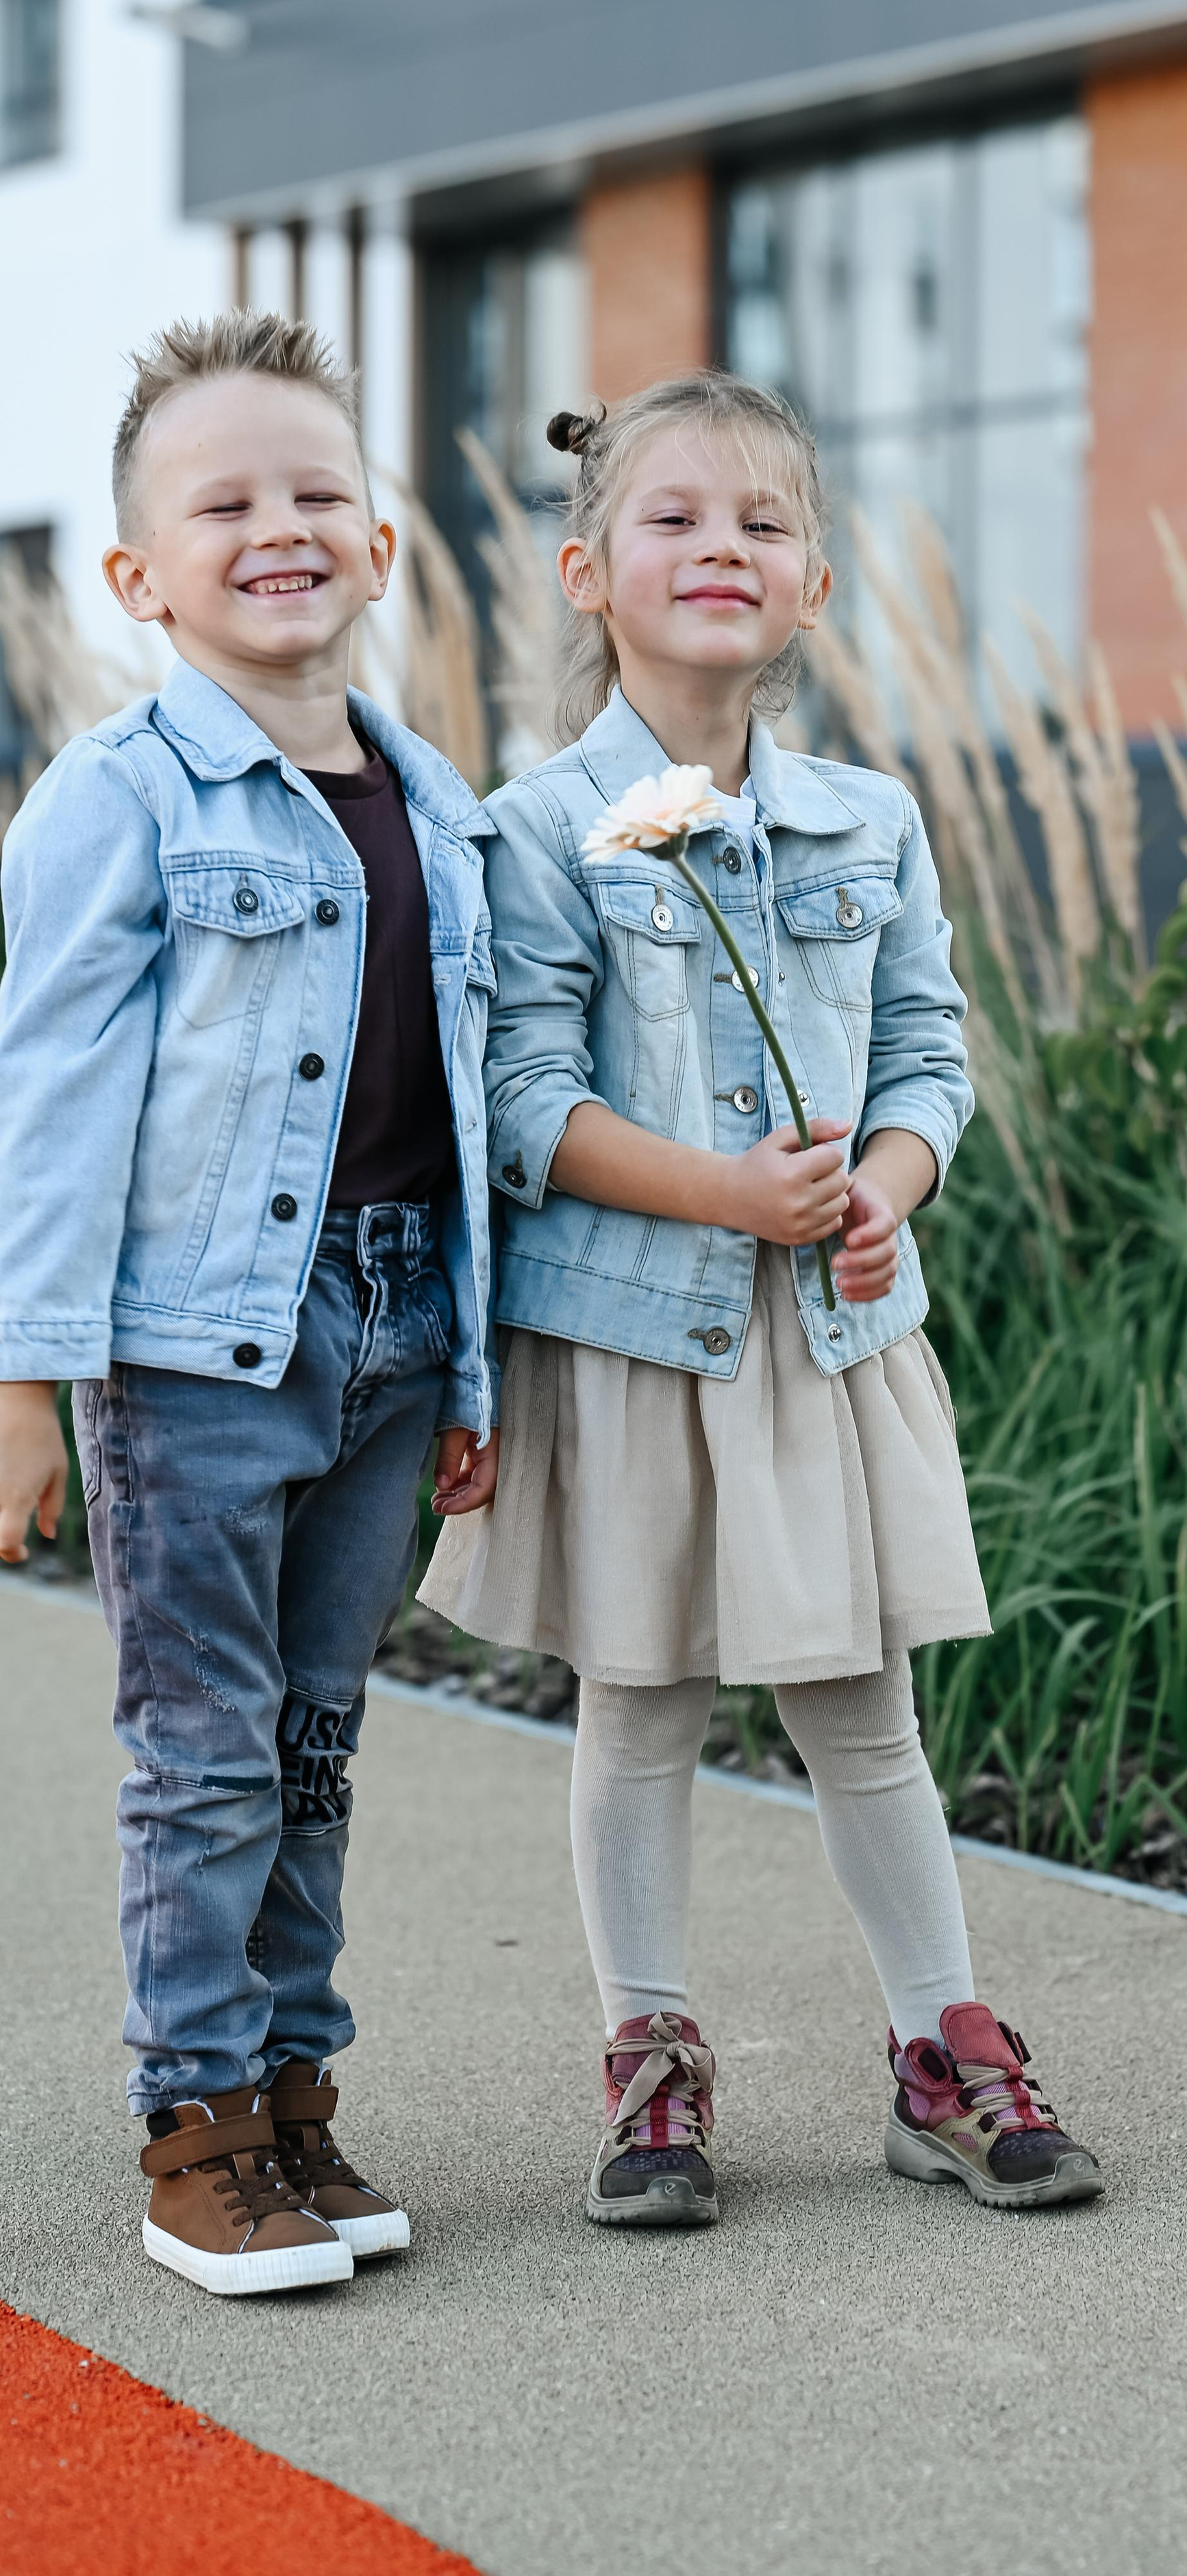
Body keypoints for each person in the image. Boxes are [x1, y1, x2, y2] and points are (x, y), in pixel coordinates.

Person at [421, 370, 1101, 2225]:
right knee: (640, 1701)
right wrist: (722, 1191)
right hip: (638, 1342)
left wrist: (884, 1194)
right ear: (588, 571)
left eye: (764, 522)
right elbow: (517, 1098)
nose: (721, 546)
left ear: (813, 586)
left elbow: (929, 1057)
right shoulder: (534, 829)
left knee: (861, 1704)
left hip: (827, 1339)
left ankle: (942, 2050)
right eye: (675, 518)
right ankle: (650, 2060)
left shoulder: (870, 820)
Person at [0, 311, 499, 2296]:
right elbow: (47, 1104)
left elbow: (462, 1117)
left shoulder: (438, 801)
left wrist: (470, 1364)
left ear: (376, 542)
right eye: (223, 505)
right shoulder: (118, 797)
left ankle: (295, 2095)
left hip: (393, 1331)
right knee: (204, 1751)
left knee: (311, 1746)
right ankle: (194, 2125)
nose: (277, 527)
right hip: (196, 1353)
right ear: (140, 579)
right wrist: (23, 1378)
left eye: (315, 493)